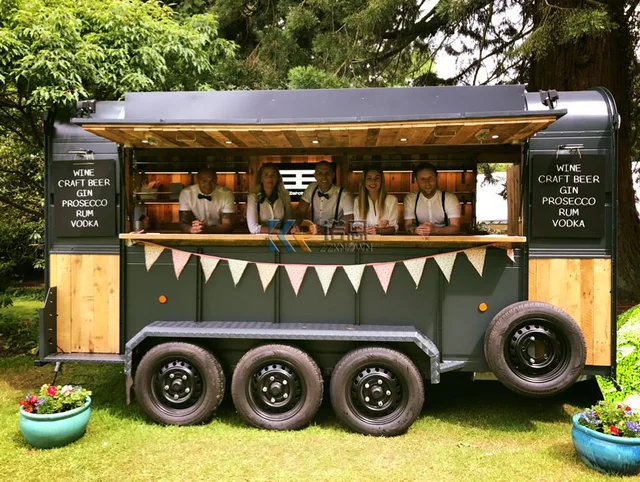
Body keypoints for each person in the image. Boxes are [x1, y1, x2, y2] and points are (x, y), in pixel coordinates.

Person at [294, 161, 353, 235]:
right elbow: (300, 212)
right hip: (313, 236)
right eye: (320, 173)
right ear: (315, 176)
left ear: (333, 175)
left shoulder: (344, 194)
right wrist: (296, 225)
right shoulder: (311, 188)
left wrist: (327, 230)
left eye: (327, 173)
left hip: (335, 237)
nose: (324, 177)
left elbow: (350, 226)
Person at [404, 162, 461, 235]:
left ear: (437, 178)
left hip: (445, 241)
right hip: (420, 241)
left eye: (430, 178)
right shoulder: (410, 199)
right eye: (422, 179)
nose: (427, 183)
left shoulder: (449, 198)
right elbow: (408, 225)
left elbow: (455, 227)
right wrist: (415, 230)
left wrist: (435, 230)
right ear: (416, 181)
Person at [179, 167, 235, 234]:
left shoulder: (226, 194)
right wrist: (192, 229)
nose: (208, 185)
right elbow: (183, 223)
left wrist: (208, 229)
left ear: (216, 180)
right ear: (197, 180)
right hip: (195, 234)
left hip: (219, 233)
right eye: (204, 181)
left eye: (212, 181)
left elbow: (228, 225)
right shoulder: (186, 193)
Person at [246, 163, 293, 234]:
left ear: (278, 178)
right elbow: (253, 228)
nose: (270, 178)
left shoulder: (285, 196)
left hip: (281, 238)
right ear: (261, 179)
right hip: (259, 240)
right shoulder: (253, 197)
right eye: (266, 175)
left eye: (273, 175)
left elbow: (288, 221)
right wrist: (278, 231)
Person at [353, 167, 398, 235]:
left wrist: (378, 230)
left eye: (377, 178)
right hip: (365, 243)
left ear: (381, 181)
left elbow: (394, 229)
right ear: (364, 181)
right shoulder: (358, 200)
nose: (373, 181)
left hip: (386, 243)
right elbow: (357, 226)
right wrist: (364, 230)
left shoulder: (392, 200)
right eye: (369, 178)